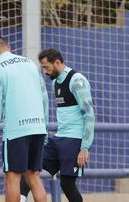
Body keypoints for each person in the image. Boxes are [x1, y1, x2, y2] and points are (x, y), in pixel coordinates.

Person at [20, 48, 95, 202]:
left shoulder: (77, 81)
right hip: (59, 138)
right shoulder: (55, 82)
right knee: (29, 170)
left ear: (58, 63)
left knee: (67, 184)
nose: (45, 72)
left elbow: (89, 114)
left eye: (46, 67)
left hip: (73, 141)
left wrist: (84, 148)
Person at [0, 36, 49, 202]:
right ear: (9, 46)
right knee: (34, 177)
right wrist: (45, 128)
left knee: (12, 178)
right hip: (38, 127)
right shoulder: (31, 64)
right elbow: (45, 98)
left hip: (16, 130)